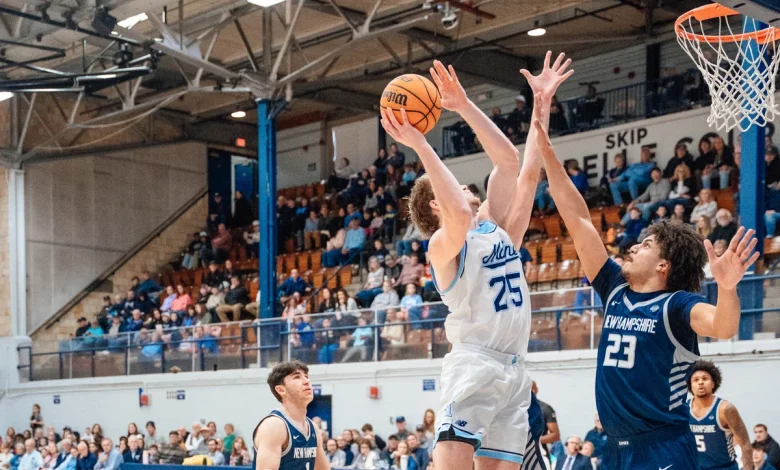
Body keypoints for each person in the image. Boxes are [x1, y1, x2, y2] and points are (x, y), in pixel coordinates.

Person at [532, 96, 760, 470]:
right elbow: (576, 218)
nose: (634, 246)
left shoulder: (677, 306)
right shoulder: (615, 287)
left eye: (647, 244)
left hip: (663, 447)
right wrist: (546, 151)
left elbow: (724, 325)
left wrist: (729, 287)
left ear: (664, 265)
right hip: (614, 448)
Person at [383, 54, 572, 470]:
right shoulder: (442, 246)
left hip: (515, 371)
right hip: (474, 365)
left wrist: (467, 106)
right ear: (436, 202)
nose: (468, 187)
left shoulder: (498, 229)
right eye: (454, 186)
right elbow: (460, 214)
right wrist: (420, 144)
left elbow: (513, 165)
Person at [253, 361, 328, 470]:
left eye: (306, 376)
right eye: (297, 377)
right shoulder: (274, 426)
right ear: (281, 390)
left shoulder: (313, 429)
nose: (307, 381)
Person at [688, 360, 752, 470]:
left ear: (713, 383)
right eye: (696, 380)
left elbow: (745, 444)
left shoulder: (725, 409)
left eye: (705, 379)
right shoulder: (684, 409)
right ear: (690, 385)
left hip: (723, 467)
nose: (700, 382)